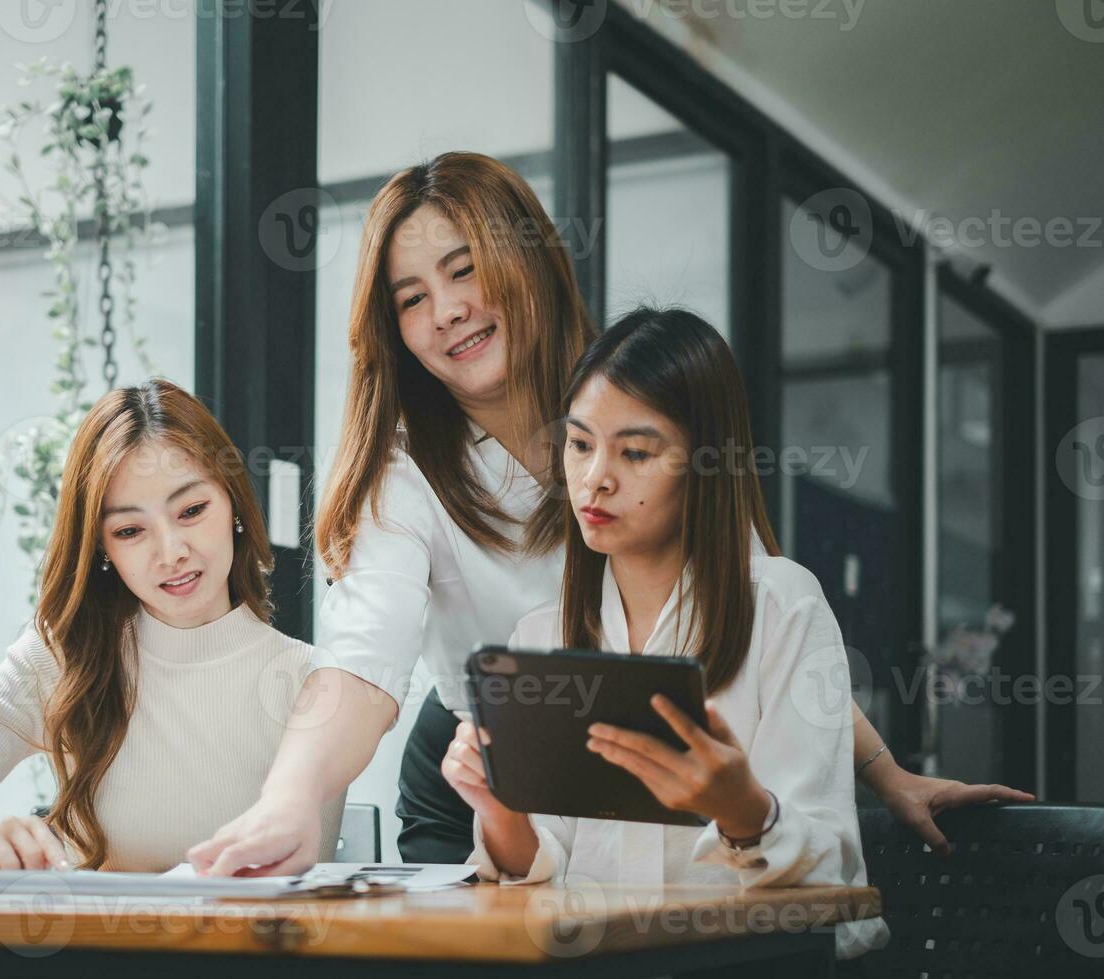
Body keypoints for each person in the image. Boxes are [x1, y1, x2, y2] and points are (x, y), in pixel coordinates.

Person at [187, 151, 1030, 877]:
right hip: (492, 769)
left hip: (655, 749)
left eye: (464, 268)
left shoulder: (630, 394)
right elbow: (362, 666)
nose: (445, 312)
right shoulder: (400, 474)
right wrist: (293, 798)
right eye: (410, 298)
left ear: (529, 262)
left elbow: (747, 624)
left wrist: (886, 775)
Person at [442, 306, 887, 960]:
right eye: (580, 443)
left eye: (637, 452)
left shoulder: (783, 606)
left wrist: (743, 812)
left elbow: (829, 880)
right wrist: (499, 809)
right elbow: (538, 870)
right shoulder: (541, 635)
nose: (596, 477)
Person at [0, 380, 343, 872]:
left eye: (191, 511)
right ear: (102, 549)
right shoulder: (60, 658)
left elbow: (304, 890)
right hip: (96, 948)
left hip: (252, 948)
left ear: (234, 507)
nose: (171, 552)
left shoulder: (315, 680)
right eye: (130, 531)